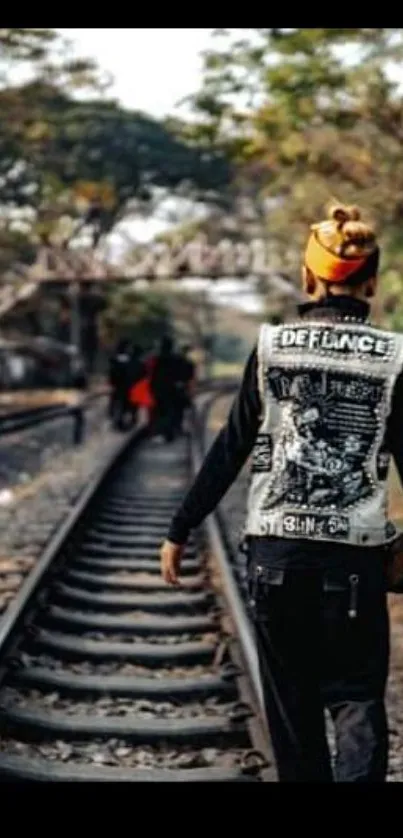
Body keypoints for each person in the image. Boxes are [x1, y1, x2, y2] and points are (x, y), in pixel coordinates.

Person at [160, 201, 403, 783]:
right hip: (355, 560)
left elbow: (230, 448)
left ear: (306, 277)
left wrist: (180, 528)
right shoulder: (395, 358)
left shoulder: (272, 348)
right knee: (356, 698)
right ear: (372, 282)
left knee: (293, 712)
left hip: (277, 557)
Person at [149, 336, 185, 441]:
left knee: (159, 412)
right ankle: (169, 433)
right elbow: (180, 375)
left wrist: (152, 388)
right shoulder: (177, 359)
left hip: (159, 390)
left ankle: (160, 433)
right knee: (170, 411)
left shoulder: (156, 359)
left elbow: (153, 375)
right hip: (172, 390)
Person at [108, 338, 133, 430]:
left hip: (118, 385)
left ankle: (117, 421)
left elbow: (111, 373)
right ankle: (120, 421)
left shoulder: (114, 359)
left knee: (117, 403)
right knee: (124, 404)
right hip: (125, 386)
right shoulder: (129, 359)